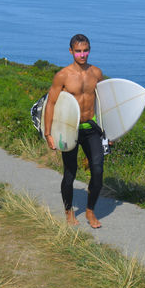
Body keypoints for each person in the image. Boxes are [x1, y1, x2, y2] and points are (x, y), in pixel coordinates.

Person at [44, 34, 105, 228]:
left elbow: (104, 103)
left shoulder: (96, 73)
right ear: (71, 51)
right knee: (70, 173)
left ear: (89, 50)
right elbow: (51, 104)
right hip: (69, 128)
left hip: (91, 128)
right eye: (78, 51)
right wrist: (48, 134)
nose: (82, 54)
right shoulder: (62, 75)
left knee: (98, 169)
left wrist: (110, 132)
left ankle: (90, 210)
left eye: (85, 50)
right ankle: (69, 211)